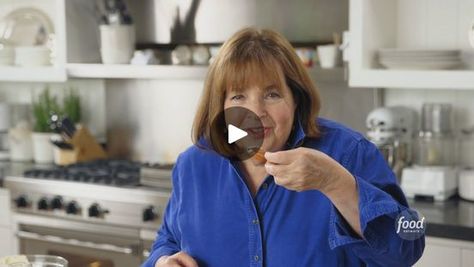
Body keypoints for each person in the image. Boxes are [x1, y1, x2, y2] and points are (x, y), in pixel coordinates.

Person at [142, 28, 425, 267]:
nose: (256, 112)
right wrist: (163, 260)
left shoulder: (349, 153)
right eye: (239, 96)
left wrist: (335, 183)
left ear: (296, 100)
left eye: (272, 94)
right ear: (220, 107)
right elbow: (168, 238)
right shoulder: (194, 165)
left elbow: (408, 243)